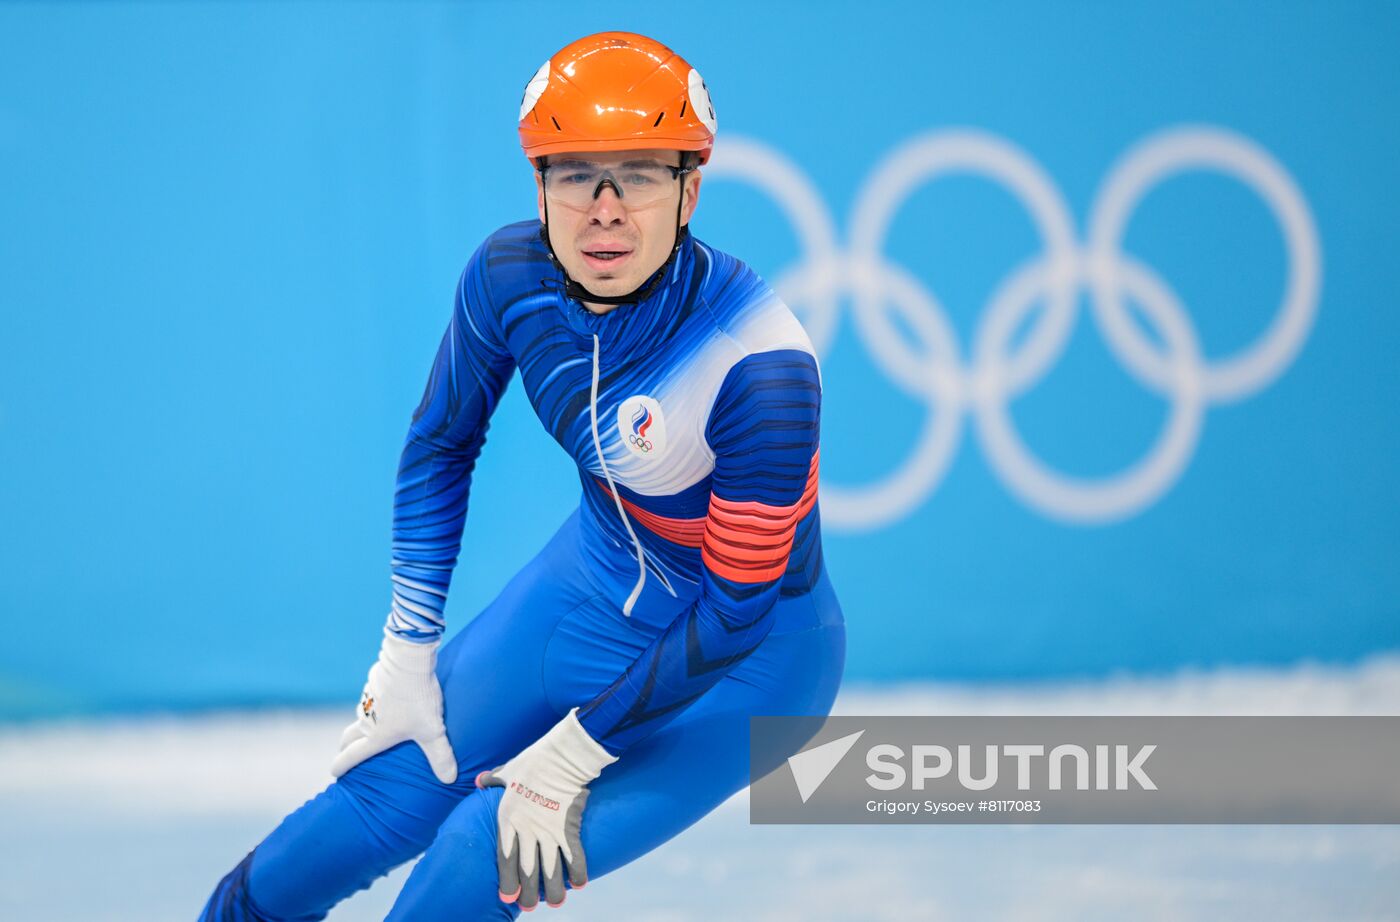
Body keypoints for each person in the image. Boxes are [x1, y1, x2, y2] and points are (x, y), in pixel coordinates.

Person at [199, 30, 844, 920]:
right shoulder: (509, 277)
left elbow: (735, 613)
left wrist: (573, 755)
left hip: (751, 663)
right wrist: (406, 650)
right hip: (591, 586)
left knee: (483, 844)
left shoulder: (761, 369)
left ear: (690, 190)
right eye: (576, 175)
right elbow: (441, 442)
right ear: (539, 186)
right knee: (378, 800)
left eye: (639, 176)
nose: (606, 212)